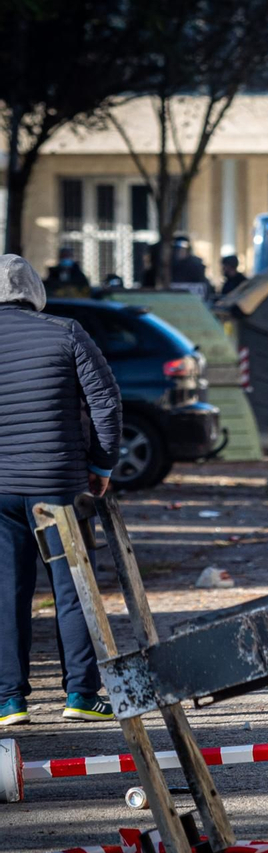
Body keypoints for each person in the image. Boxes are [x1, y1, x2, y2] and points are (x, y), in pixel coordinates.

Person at [0, 255, 121, 726]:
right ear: (35, 292)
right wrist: (101, 464)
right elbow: (106, 403)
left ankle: (9, 701)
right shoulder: (66, 331)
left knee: (8, 591)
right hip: (57, 487)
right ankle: (81, 695)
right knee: (71, 589)